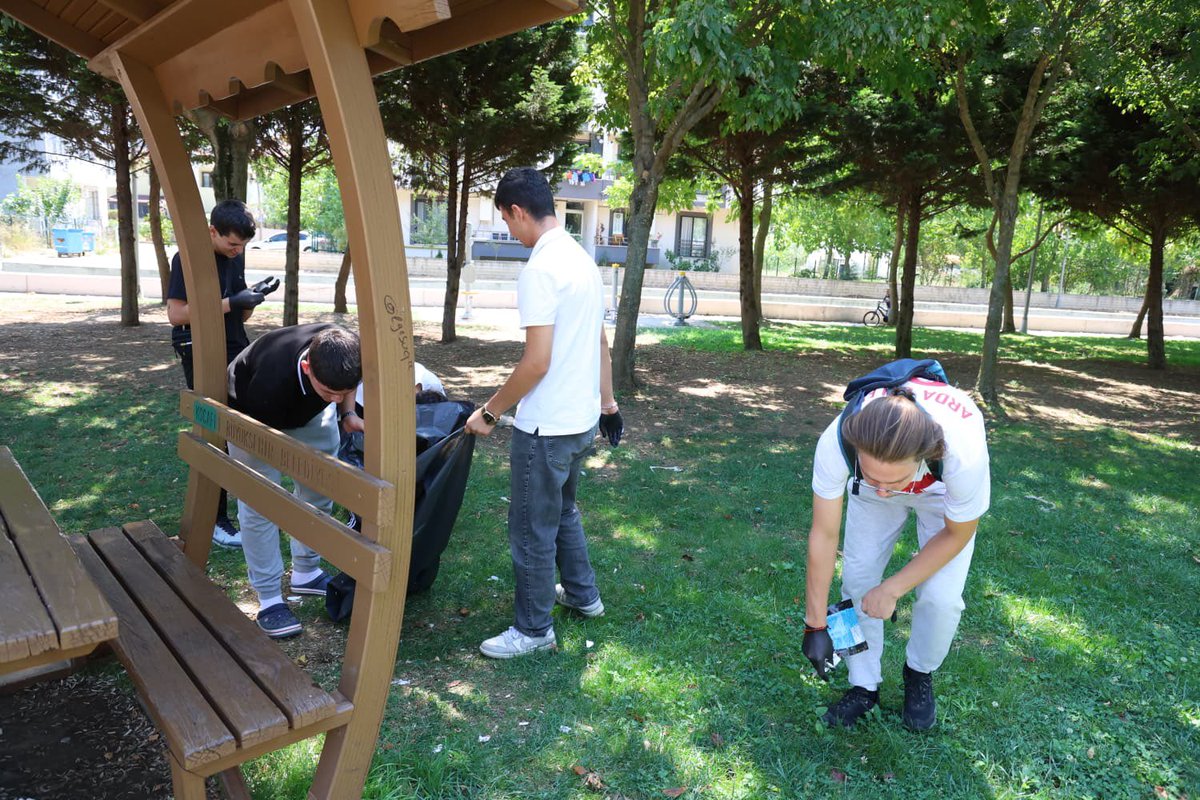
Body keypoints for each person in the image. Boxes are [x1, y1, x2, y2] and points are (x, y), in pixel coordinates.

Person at [465, 167, 624, 659]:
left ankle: (533, 631)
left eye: (507, 223)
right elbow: (600, 341)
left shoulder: (539, 269)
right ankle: (583, 596)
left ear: (517, 211)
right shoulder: (582, 259)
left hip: (546, 428)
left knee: (532, 527)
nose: (510, 233)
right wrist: (608, 405)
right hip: (579, 422)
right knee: (564, 511)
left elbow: (536, 362)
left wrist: (489, 413)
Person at [802, 376, 990, 730]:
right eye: (875, 477)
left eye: (894, 483)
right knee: (858, 581)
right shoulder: (837, 441)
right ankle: (863, 685)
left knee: (941, 599)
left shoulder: (962, 452)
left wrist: (892, 589)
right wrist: (814, 625)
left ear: (926, 454)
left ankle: (919, 673)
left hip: (938, 490)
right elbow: (824, 535)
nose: (886, 493)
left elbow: (957, 533)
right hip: (876, 480)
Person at [225, 323, 364, 638]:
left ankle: (306, 570)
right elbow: (267, 452)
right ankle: (269, 597)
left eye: (344, 391)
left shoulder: (347, 353)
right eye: (330, 392)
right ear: (306, 367)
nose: (337, 397)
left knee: (320, 488)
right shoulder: (270, 385)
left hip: (309, 414)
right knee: (260, 504)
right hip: (252, 415)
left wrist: (347, 411)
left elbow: (342, 386)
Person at [166, 199, 276, 549]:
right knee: (215, 428)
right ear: (212, 231)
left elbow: (237, 316)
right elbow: (176, 314)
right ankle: (216, 520)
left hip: (233, 343)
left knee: (240, 427)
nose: (238, 251)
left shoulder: (234, 255)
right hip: (197, 347)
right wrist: (231, 303)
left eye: (243, 245)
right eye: (232, 244)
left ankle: (243, 510)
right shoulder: (186, 258)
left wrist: (249, 300)